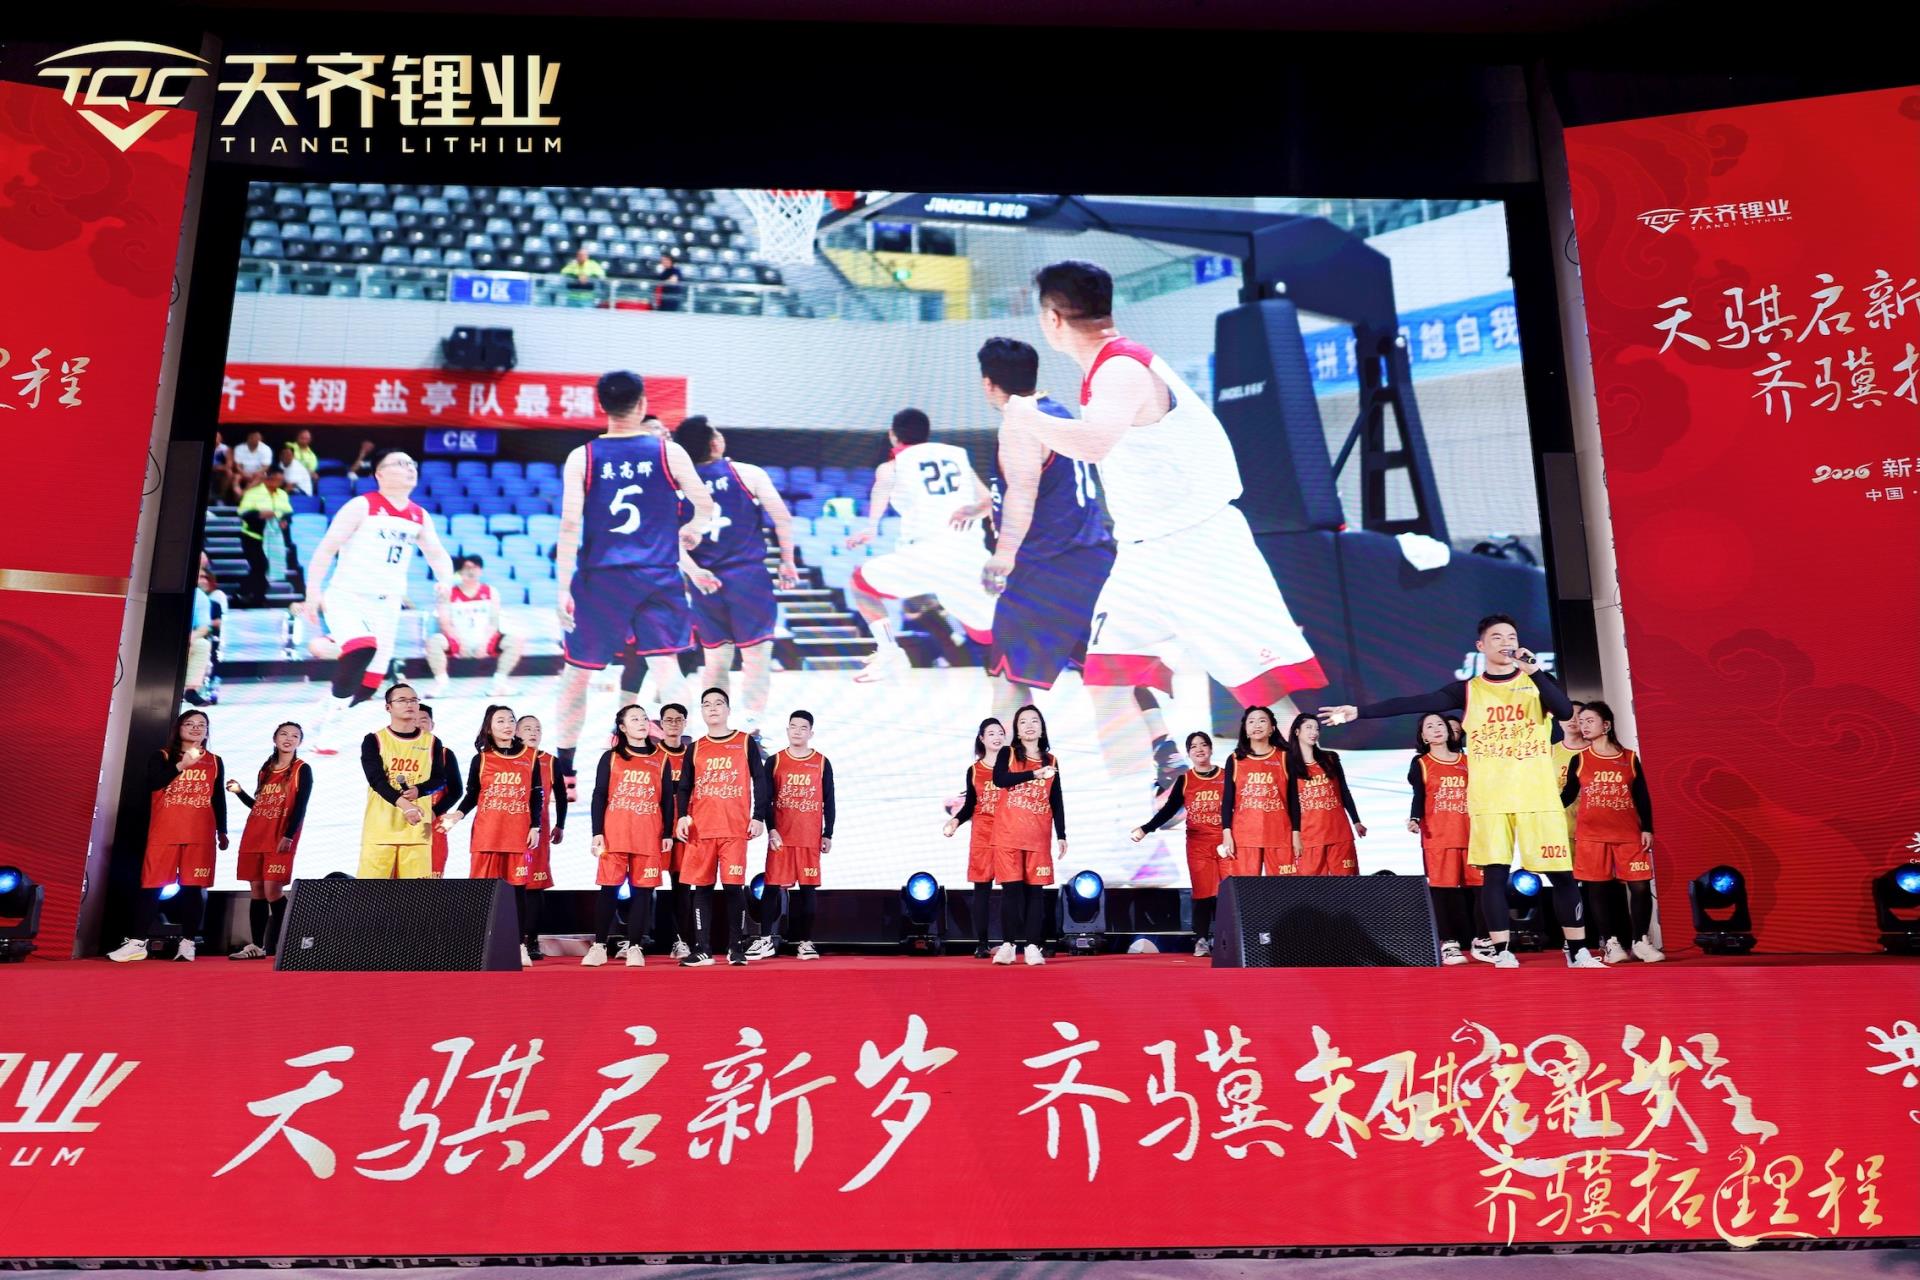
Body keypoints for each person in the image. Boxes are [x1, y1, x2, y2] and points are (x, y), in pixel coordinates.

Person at [999, 261, 1326, 786]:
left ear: (1052, 319)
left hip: (1198, 548)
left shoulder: (1120, 370)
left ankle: (1321, 803)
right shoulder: (1106, 368)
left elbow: (1093, 442)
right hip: (1143, 553)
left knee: (1264, 693)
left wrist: (1024, 415)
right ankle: (1148, 812)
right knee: (1108, 678)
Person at [1318, 614, 1605, 969]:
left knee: (1560, 874)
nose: (1506, 642)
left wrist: (1533, 671)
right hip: (1490, 797)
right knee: (1495, 875)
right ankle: (1501, 951)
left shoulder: (1537, 681)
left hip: (1537, 795)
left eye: (1511, 636)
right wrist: (1358, 712)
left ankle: (1577, 951)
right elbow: (1415, 702)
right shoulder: (1468, 690)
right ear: (1480, 646)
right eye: (1496, 637)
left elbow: (1562, 710)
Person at [551, 371, 714, 804]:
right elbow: (705, 505)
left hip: (601, 579)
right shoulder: (668, 451)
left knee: (577, 676)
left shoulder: (582, 457)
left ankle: (565, 774)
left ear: (602, 406)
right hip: (657, 576)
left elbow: (569, 524)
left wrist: (562, 586)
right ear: (642, 404)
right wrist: (693, 529)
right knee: (667, 670)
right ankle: (684, 766)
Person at [975, 337, 1119, 730]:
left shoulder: (1019, 423)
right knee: (1110, 674)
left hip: (1045, 566)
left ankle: (1005, 767)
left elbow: (1024, 489)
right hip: (1094, 559)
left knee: (1009, 676)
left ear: (989, 383)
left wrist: (1004, 554)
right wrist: (984, 505)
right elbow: (1052, 484)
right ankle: (1164, 751)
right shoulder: (1059, 414)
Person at [300, 451, 456, 754]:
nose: (409, 468)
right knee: (363, 647)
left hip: (387, 605)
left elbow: (438, 555)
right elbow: (326, 549)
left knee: (370, 684)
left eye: (412, 464)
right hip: (348, 596)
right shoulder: (361, 506)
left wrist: (445, 580)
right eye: (400, 463)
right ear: (379, 474)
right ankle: (329, 730)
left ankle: (318, 717)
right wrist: (312, 593)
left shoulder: (419, 515)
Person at [844, 408, 997, 683]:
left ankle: (890, 653)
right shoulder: (957, 456)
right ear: (927, 434)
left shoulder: (892, 465)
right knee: (988, 634)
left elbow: (881, 490)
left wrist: (872, 526)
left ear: (893, 435)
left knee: (860, 584)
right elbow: (988, 501)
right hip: (970, 557)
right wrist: (974, 512)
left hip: (926, 555)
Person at [673, 415, 799, 736]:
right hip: (748, 579)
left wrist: (694, 572)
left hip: (706, 583)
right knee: (755, 659)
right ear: (715, 443)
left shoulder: (676, 484)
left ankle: (717, 733)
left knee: (715, 662)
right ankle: (752, 731)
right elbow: (783, 518)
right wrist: (787, 561)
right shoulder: (747, 473)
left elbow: (666, 540)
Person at [109, 710, 228, 962]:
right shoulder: (162, 755)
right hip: (165, 831)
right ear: (179, 728)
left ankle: (188, 944)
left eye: (202, 724)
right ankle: (138, 943)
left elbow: (218, 797)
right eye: (190, 724)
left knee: (193, 889)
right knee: (151, 886)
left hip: (199, 833)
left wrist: (223, 830)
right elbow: (154, 783)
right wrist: (182, 765)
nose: (196, 728)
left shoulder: (215, 761)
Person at [673, 686, 773, 967]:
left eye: (718, 703)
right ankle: (702, 949)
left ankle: (736, 948)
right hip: (702, 830)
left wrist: (758, 816)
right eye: (707, 704)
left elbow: (760, 780)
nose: (713, 708)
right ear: (702, 712)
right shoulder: (695, 747)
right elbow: (684, 787)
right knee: (702, 889)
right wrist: (682, 816)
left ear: (728, 710)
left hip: (734, 829)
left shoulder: (744, 741)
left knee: (733, 888)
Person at [438, 705, 543, 968]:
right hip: (487, 834)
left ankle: (519, 945)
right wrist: (457, 814)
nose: (507, 725)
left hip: (517, 834)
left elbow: (536, 795)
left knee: (517, 891)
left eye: (511, 720)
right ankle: (478, 944)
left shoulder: (530, 757)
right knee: (482, 892)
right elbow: (473, 794)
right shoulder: (482, 759)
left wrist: (535, 826)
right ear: (489, 727)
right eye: (501, 721)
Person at [1562, 700, 1663, 964]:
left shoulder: (1629, 758)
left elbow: (1642, 796)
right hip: (1591, 836)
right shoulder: (1579, 759)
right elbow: (1567, 795)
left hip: (1628, 834)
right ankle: (1610, 943)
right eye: (1581, 722)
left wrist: (1648, 828)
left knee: (1640, 887)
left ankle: (1640, 941)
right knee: (1598, 889)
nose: (1583, 726)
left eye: (1589, 721)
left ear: (1606, 725)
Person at [586, 704, 678, 968]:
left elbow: (667, 800)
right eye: (634, 719)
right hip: (615, 834)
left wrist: (667, 833)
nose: (641, 722)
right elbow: (599, 795)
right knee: (609, 889)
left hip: (648, 834)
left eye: (644, 718)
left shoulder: (661, 758)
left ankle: (635, 946)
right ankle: (599, 946)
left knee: (643, 892)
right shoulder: (611, 758)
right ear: (623, 727)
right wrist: (597, 832)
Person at [1131, 731, 1226, 955]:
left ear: (1211, 749)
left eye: (1204, 745)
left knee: (1226, 894)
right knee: (1203, 893)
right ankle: (1201, 940)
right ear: (1188, 753)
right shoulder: (1185, 779)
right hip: (1198, 845)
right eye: (1194, 747)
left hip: (1226, 844)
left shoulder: (1226, 776)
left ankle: (1226, 939)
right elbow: (1169, 810)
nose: (1199, 749)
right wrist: (1145, 829)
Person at [749, 710, 834, 960]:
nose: (797, 731)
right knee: (771, 887)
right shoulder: (775, 761)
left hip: (809, 837)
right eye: (793, 727)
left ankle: (805, 943)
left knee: (808, 890)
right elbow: (765, 799)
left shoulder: (821, 762)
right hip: (781, 838)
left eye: (803, 728)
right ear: (787, 730)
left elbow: (829, 800)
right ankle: (765, 939)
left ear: (811, 733)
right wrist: (771, 829)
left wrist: (828, 833)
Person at [224, 721, 312, 959]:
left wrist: (288, 835)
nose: (289, 739)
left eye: (295, 736)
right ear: (275, 738)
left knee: (273, 890)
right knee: (257, 890)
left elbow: (301, 806)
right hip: (255, 834)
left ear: (300, 742)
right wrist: (240, 792)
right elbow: (259, 806)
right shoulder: (265, 769)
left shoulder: (302, 769)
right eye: (284, 734)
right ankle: (256, 946)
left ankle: (287, 944)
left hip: (280, 837)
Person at [989, 704, 1065, 966]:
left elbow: (1056, 799)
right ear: (1017, 731)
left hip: (1038, 836)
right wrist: (1033, 774)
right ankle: (1008, 945)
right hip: (1008, 834)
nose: (1029, 725)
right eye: (1023, 722)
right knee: (1011, 892)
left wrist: (1062, 834)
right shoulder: (1007, 753)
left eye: (1035, 721)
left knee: (1035, 893)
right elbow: (1000, 780)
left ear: (1042, 728)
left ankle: (1033, 946)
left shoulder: (1052, 761)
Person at [357, 683, 453, 880]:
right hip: (380, 831)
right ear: (388, 707)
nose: (409, 704)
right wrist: (405, 805)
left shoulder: (432, 742)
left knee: (415, 896)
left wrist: (420, 790)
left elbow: (440, 779)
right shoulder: (374, 740)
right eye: (402, 700)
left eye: (413, 700)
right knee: (370, 894)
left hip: (417, 833)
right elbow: (377, 780)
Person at [1408, 713, 1480, 966]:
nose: (1437, 729)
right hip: (1439, 836)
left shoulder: (1468, 761)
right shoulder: (1422, 763)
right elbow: (1419, 794)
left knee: (1481, 889)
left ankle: (1483, 940)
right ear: (1423, 736)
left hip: (1472, 835)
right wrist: (1414, 818)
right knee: (1443, 891)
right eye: (1430, 726)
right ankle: (1449, 943)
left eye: (1440, 724)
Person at [942, 717, 1007, 958]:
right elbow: (970, 804)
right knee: (982, 889)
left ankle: (1010, 942)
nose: (997, 737)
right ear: (982, 739)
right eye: (991, 733)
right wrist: (956, 821)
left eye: (1000, 733)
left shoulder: (1014, 767)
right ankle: (982, 943)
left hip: (1009, 833)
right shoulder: (975, 770)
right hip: (982, 835)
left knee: (1012, 889)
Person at [426, 555, 525, 696]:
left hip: (485, 639)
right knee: (434, 641)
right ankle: (441, 685)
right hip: (457, 640)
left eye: (475, 568)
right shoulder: (448, 593)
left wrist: (484, 643)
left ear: (481, 571)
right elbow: (445, 623)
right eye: (467, 568)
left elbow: (493, 622)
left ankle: (499, 684)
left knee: (515, 641)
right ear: (459, 572)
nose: (471, 571)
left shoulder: (491, 592)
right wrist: (461, 643)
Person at [1285, 713, 1364, 875]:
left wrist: (1356, 821)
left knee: (1347, 885)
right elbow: (1289, 804)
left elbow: (1344, 791)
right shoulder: (1287, 764)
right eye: (1309, 727)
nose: (1314, 732)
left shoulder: (1330, 759)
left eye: (1317, 729)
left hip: (1339, 833)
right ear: (1297, 732)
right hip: (1309, 837)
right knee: (1312, 887)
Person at [1219, 706, 1292, 877]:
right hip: (1244, 837)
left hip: (1280, 834)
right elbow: (1227, 801)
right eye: (1251, 722)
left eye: (1262, 720)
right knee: (1246, 889)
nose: (1256, 725)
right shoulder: (1235, 760)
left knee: (1284, 888)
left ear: (1272, 728)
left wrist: (1296, 833)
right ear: (1245, 730)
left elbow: (1294, 800)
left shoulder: (1285, 757)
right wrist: (1227, 833)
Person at [516, 714, 565, 959]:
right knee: (511, 886)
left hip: (539, 831)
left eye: (537, 728)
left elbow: (562, 796)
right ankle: (510, 939)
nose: (533, 732)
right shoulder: (507, 759)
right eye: (527, 728)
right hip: (509, 829)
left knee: (534, 887)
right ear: (516, 733)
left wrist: (560, 825)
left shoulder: (550, 761)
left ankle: (532, 940)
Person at [652, 702, 694, 960]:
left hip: (682, 832)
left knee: (682, 887)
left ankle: (681, 941)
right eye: (669, 720)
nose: (674, 724)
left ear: (685, 723)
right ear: (661, 724)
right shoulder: (652, 755)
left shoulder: (692, 755)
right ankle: (636, 939)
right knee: (643, 886)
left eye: (679, 719)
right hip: (654, 831)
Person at [416, 704, 463, 877]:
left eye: (423, 720)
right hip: (401, 826)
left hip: (432, 827)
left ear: (432, 724)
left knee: (431, 882)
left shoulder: (444, 754)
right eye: (413, 720)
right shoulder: (396, 752)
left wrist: (434, 812)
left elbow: (456, 791)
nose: (418, 724)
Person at [237, 465, 294, 606]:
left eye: (280, 481)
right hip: (253, 537)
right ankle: (246, 593)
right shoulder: (253, 493)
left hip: (273, 537)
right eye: (275, 479)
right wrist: (260, 515)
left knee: (266, 567)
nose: (278, 483)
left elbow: (287, 512)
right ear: (268, 478)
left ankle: (256, 597)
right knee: (260, 566)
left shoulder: (282, 494)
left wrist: (284, 520)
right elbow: (243, 513)